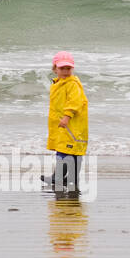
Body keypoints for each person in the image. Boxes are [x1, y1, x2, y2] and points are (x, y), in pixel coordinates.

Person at [44, 51, 88, 192]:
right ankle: (59, 176)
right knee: (63, 149)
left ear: (72, 69)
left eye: (68, 68)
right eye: (62, 68)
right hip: (64, 125)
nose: (65, 71)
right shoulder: (59, 83)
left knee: (70, 151)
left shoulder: (72, 84)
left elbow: (75, 102)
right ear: (55, 69)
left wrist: (67, 116)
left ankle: (72, 179)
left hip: (72, 124)